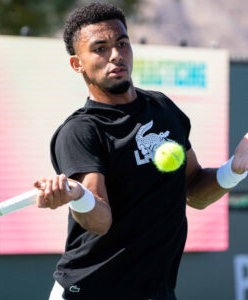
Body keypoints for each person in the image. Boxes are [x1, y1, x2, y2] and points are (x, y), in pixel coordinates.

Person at [33, 3, 248, 300]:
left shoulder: (163, 109)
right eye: (100, 48)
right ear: (77, 63)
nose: (116, 55)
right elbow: (100, 218)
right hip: (89, 292)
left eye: (122, 43)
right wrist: (77, 196)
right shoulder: (81, 131)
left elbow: (194, 191)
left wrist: (235, 169)